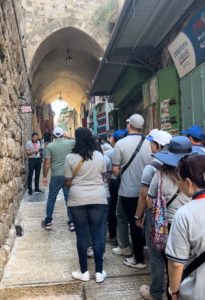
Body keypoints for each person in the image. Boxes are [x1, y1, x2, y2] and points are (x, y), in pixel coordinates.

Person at [140, 136, 192, 300]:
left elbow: (149, 200)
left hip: (165, 224)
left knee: (157, 256)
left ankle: (156, 293)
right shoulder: (194, 175)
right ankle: (179, 290)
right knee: (182, 259)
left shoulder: (160, 175)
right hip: (188, 224)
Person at [64, 127, 108, 283]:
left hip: (77, 200)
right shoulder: (99, 156)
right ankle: (99, 272)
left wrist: (76, 184)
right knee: (98, 234)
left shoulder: (70, 157)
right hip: (98, 198)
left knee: (81, 236)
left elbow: (68, 182)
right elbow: (103, 176)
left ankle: (84, 272)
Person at [112, 114, 152, 269]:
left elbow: (115, 170)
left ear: (129, 125)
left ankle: (139, 259)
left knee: (134, 223)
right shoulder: (149, 143)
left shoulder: (120, 144)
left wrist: (121, 173)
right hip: (147, 190)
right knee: (140, 220)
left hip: (128, 191)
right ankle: (137, 247)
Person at [166, 155, 205, 300]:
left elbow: (176, 264)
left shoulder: (184, 214)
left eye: (179, 180)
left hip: (198, 290)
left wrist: (174, 292)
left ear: (188, 182)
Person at [41, 127, 74, 231]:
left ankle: (48, 221)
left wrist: (45, 177)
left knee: (51, 198)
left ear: (54, 135)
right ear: (62, 135)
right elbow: (80, 140)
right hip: (68, 175)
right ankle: (72, 222)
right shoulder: (69, 143)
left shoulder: (50, 146)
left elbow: (47, 163)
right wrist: (68, 136)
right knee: (68, 199)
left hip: (55, 176)